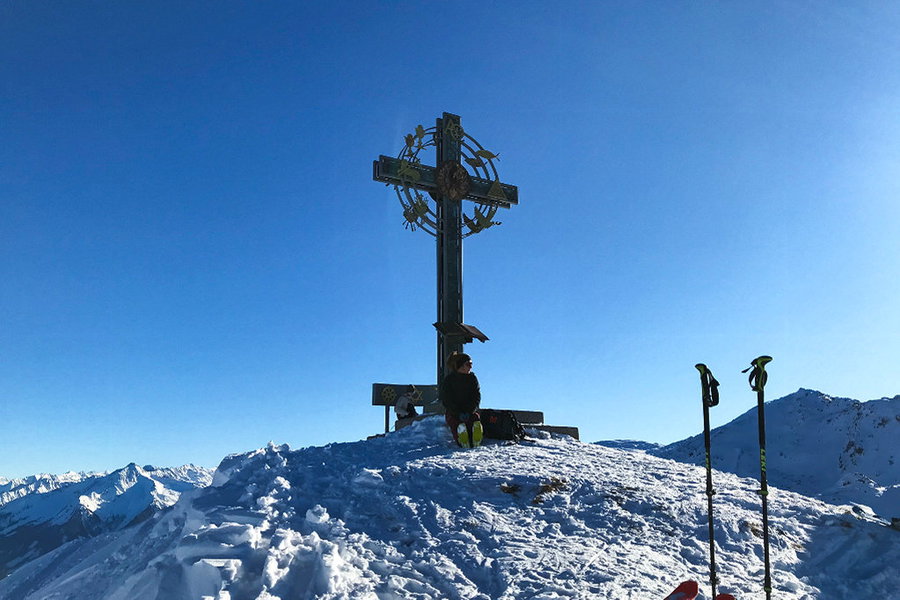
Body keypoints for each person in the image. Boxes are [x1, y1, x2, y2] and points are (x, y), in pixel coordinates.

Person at [440, 352, 482, 447]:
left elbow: (476, 396)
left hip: (469, 410)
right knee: (456, 422)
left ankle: (475, 438)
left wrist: (470, 410)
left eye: (471, 364)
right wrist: (457, 412)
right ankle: (461, 439)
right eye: (468, 364)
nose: (470, 367)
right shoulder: (449, 380)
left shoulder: (472, 378)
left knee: (475, 419)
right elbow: (447, 399)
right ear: (461, 366)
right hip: (454, 412)